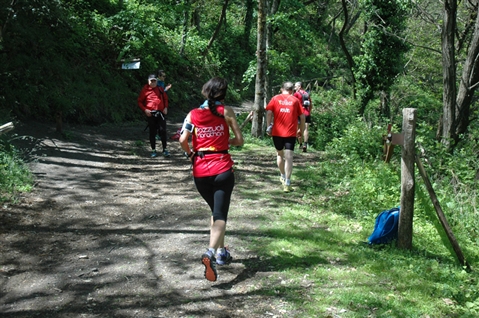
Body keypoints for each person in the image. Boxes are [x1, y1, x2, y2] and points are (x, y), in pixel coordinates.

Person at [179, 77, 244, 282]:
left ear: (205, 92)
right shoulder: (227, 112)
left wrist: (191, 154)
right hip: (222, 168)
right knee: (220, 214)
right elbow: (239, 141)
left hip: (200, 170)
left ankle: (221, 253)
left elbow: (182, 140)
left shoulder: (193, 113)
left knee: (216, 213)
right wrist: (225, 140)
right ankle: (210, 253)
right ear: (223, 93)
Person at [266, 81, 305, 193]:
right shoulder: (296, 100)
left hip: (277, 132)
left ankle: (282, 175)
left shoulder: (275, 98)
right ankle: (287, 182)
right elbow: (302, 117)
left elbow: (269, 113)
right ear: (292, 90)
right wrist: (301, 131)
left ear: (281, 89)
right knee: (289, 157)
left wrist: (269, 127)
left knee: (279, 154)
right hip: (290, 133)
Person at [137, 74, 170, 157]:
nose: (153, 82)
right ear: (148, 81)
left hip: (161, 113)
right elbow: (140, 101)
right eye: (151, 81)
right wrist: (145, 110)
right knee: (152, 132)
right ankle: (153, 150)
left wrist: (165, 107)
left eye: (154, 80)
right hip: (151, 114)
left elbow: (165, 99)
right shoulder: (145, 90)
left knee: (163, 131)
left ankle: (165, 149)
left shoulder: (160, 89)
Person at [293, 82, 312, 152]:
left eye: (295, 87)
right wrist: (309, 112)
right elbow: (310, 105)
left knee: (299, 129)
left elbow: (293, 104)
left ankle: (300, 144)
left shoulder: (296, 94)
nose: (295, 88)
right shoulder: (307, 93)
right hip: (307, 113)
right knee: (306, 129)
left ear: (299, 86)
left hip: (299, 113)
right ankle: (305, 144)